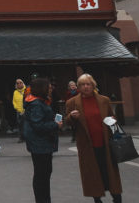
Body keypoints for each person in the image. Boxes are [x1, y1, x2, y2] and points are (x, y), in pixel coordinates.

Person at [67, 74, 123, 203]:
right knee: (92, 174)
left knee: (111, 173)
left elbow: (112, 118)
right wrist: (71, 117)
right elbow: (67, 122)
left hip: (106, 143)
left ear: (93, 85)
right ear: (78, 87)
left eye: (88, 84)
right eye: (82, 85)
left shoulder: (104, 100)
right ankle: (97, 199)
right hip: (87, 146)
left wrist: (113, 121)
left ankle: (117, 198)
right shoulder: (72, 102)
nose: (85, 87)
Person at [23, 77, 62, 203]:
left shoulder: (38, 102)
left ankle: (44, 199)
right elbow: (38, 125)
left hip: (40, 143)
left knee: (43, 174)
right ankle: (43, 200)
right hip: (40, 144)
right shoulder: (36, 104)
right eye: (49, 87)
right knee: (42, 175)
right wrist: (55, 125)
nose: (51, 89)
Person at [14, 78, 27, 142]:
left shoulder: (26, 91)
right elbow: (14, 101)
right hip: (18, 111)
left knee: (26, 125)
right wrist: (16, 108)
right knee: (19, 125)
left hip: (26, 111)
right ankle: (21, 138)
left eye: (20, 82)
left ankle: (26, 137)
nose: (19, 84)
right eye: (17, 83)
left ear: (23, 83)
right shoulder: (15, 92)